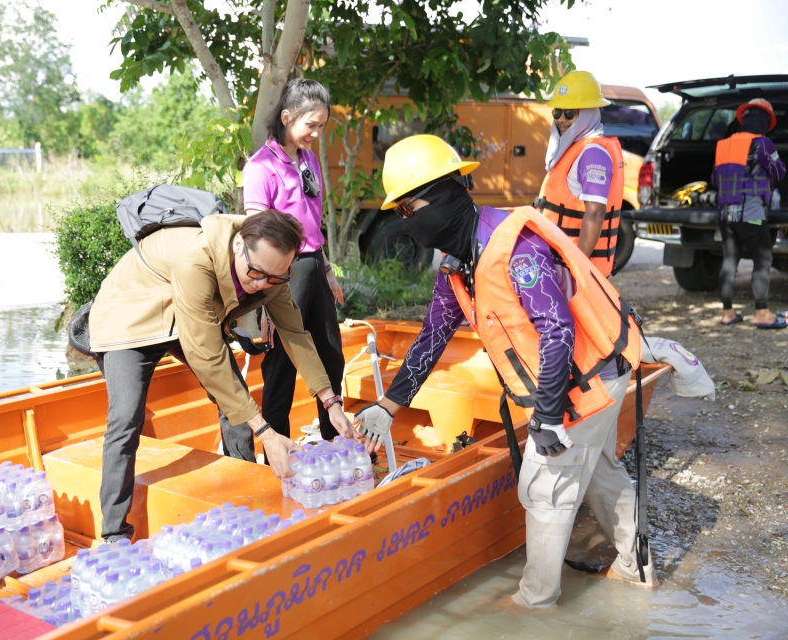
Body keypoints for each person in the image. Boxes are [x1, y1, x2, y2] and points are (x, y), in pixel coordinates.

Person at [352, 134, 654, 608]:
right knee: (597, 472)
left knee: (544, 487)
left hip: (586, 378)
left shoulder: (514, 248)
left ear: (446, 196)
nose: (405, 223)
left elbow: (557, 331)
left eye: (408, 210)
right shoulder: (459, 263)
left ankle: (534, 606)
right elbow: (432, 337)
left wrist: (550, 415)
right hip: (578, 374)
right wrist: (389, 406)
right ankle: (637, 573)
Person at [87, 210, 357, 542]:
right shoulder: (195, 260)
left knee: (237, 405)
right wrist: (268, 434)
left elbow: (295, 334)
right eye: (256, 273)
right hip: (131, 316)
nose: (261, 284)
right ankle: (114, 532)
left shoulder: (272, 275)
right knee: (126, 418)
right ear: (239, 244)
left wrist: (331, 402)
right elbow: (207, 356)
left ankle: (244, 499)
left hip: (191, 313)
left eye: (275, 278)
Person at [243, 79, 347, 442]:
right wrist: (265, 289)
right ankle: (278, 449)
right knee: (282, 366)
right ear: (287, 117)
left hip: (314, 265)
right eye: (310, 125)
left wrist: (327, 269)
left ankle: (334, 441)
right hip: (282, 275)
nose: (316, 133)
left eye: (321, 126)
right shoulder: (261, 167)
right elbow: (255, 236)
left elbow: (312, 221)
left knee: (331, 356)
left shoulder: (309, 160)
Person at [534, 70, 625, 277]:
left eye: (570, 113)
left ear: (588, 113)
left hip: (572, 266)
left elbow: (595, 213)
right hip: (557, 261)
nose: (561, 120)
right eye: (557, 112)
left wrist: (578, 269)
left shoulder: (593, 153)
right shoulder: (574, 149)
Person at [713, 98, 786, 329]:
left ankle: (727, 313)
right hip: (751, 213)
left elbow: (715, 180)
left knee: (729, 262)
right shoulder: (762, 144)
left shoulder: (722, 145)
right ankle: (762, 313)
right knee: (763, 260)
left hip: (725, 215)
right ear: (765, 121)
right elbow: (780, 172)